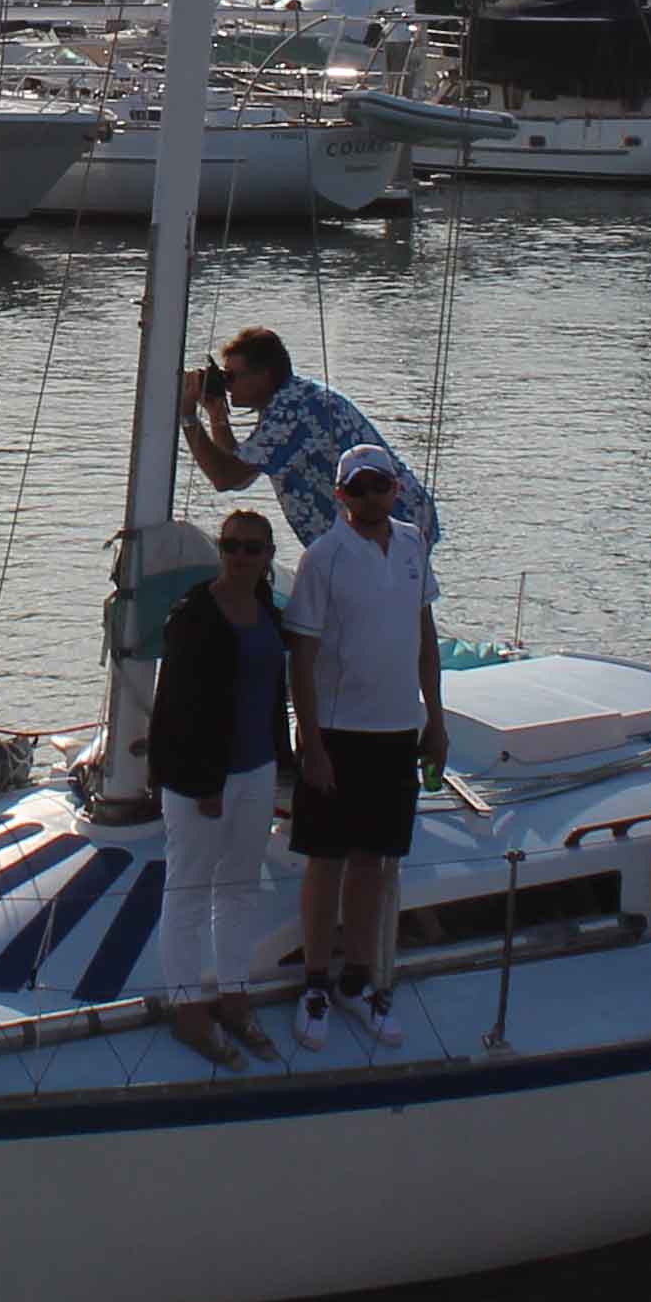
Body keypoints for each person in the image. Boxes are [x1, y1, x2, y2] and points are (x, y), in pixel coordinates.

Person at [281, 446, 441, 1043]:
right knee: (326, 862)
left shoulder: (411, 544)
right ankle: (316, 983)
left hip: (397, 731)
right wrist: (312, 740)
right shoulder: (322, 559)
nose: (372, 496)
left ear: (395, 491)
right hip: (340, 734)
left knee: (373, 862)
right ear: (341, 495)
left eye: (382, 486)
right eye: (361, 487)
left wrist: (437, 721)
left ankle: (358, 979)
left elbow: (425, 636)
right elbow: (303, 655)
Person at [140, 508, 295, 1069]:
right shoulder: (194, 616)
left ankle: (233, 995)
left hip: (255, 771)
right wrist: (202, 782)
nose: (241, 557)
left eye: (252, 548)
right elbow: (175, 709)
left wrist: (285, 764)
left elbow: (273, 695)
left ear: (268, 555)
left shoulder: (268, 615)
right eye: (231, 546)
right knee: (186, 892)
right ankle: (187, 1009)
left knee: (238, 889)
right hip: (200, 781)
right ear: (221, 551)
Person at [180, 325, 441, 553]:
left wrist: (187, 416)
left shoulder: (292, 411)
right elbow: (241, 471)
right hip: (390, 522)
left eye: (232, 376)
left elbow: (227, 477)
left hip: (386, 525)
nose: (227, 385)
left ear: (264, 375)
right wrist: (216, 412)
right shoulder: (294, 398)